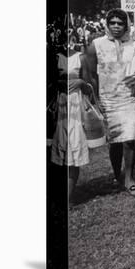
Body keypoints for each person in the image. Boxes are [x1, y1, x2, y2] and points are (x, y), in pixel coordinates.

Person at [84, 8, 135, 196]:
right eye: (113, 23)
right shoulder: (96, 44)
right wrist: (96, 98)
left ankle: (129, 177)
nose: (116, 26)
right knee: (116, 141)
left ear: (126, 25)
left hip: (130, 97)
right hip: (108, 99)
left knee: (130, 139)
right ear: (107, 25)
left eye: (120, 23)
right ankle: (117, 175)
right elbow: (90, 73)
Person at [50, 35, 91, 205]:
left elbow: (90, 86)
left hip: (76, 105)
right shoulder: (54, 57)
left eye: (70, 38)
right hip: (58, 105)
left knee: (73, 149)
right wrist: (60, 82)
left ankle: (68, 198)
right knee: (56, 149)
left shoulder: (80, 57)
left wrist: (81, 82)